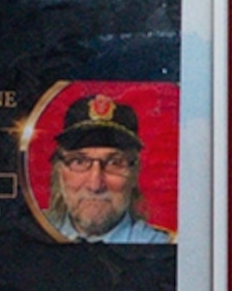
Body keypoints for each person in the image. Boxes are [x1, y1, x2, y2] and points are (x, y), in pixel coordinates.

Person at [40, 93, 174, 244]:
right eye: (78, 161)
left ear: (135, 173)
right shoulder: (31, 234)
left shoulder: (162, 245)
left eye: (114, 163)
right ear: (59, 171)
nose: (95, 185)